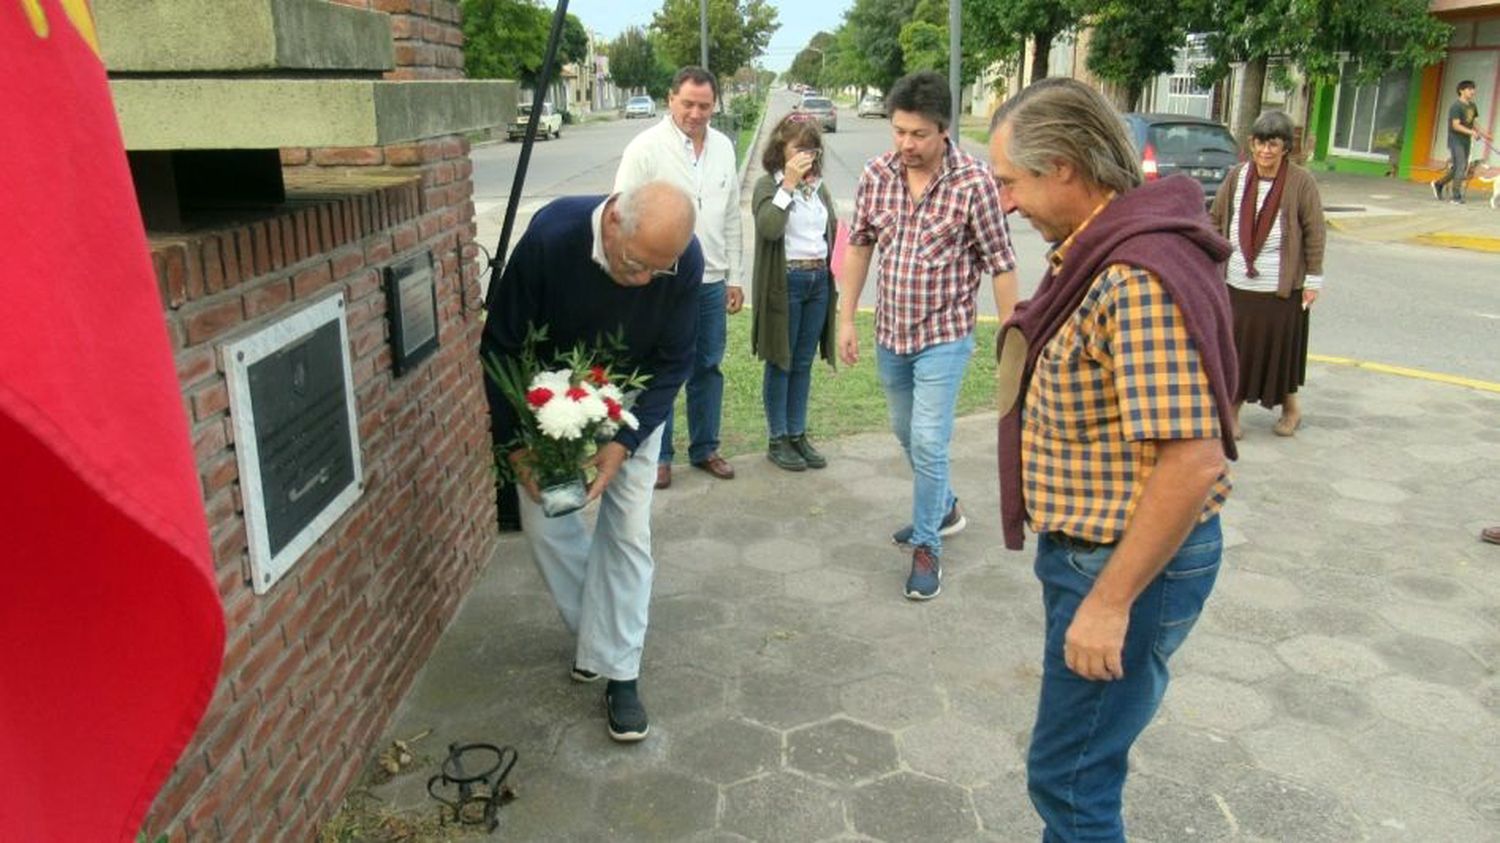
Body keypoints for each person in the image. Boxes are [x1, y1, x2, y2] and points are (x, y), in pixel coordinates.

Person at [988, 78, 1239, 841]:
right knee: (1078, 767)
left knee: (1069, 779)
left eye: (1010, 182)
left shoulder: (1132, 275)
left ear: (1063, 166)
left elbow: (1192, 460)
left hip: (1122, 564)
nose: (1004, 202)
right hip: (1095, 554)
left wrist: (1108, 600)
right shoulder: (1100, 248)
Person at [480, 181, 703, 742]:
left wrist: (622, 445)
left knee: (627, 530)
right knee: (545, 519)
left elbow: (676, 359)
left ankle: (621, 673)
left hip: (631, 400)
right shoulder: (552, 239)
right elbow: (499, 345)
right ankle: (596, 638)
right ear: (611, 225)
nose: (647, 280)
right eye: (636, 265)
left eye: (661, 269)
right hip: (552, 397)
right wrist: (516, 446)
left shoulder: (682, 258)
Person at [838, 70, 1019, 601]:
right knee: (903, 429)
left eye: (918, 134)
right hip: (890, 332)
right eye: (898, 132)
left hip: (945, 334)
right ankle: (943, 507)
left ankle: (927, 545)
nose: (906, 145)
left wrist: (1013, 336)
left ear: (944, 129)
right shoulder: (877, 175)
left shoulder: (975, 183)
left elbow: (1003, 263)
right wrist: (846, 317)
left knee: (929, 439)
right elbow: (859, 246)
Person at [614, 66, 743, 490]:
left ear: (714, 105)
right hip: (662, 280)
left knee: (708, 365)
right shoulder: (645, 149)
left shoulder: (724, 147)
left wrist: (734, 276)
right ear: (670, 99)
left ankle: (705, 447)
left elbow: (729, 217)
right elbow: (621, 215)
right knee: (661, 365)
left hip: (710, 281)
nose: (695, 112)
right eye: (687, 103)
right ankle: (659, 455)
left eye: (704, 105)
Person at [1209, 110, 1326, 438]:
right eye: (1260, 142)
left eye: (1274, 144)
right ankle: (1232, 411)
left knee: (1280, 352)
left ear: (1286, 147)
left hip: (1281, 286)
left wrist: (1313, 279)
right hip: (1237, 283)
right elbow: (1217, 218)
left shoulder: (1301, 182)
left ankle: (1291, 409)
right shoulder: (1237, 176)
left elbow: (1314, 231)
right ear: (1252, 143)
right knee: (1237, 350)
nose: (1266, 151)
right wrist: (1213, 257)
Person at [751, 115, 839, 471]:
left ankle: (797, 434)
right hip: (785, 283)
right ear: (780, 150)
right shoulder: (767, 185)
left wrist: (840, 269)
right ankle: (778, 438)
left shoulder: (819, 188)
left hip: (818, 282)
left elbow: (832, 232)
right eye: (798, 148)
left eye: (811, 149)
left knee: (802, 363)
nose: (806, 156)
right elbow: (770, 229)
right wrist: (787, 184)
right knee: (781, 360)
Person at [1433, 80, 1484, 204]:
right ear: (1461, 90)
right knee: (1461, 166)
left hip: (1466, 140)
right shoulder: (1456, 106)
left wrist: (1482, 133)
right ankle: (1456, 197)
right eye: (1469, 89)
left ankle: (1439, 184)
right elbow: (1455, 125)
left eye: (1473, 89)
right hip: (1455, 140)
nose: (1472, 91)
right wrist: (1471, 132)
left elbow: (1473, 122)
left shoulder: (1472, 106)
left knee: (1459, 167)